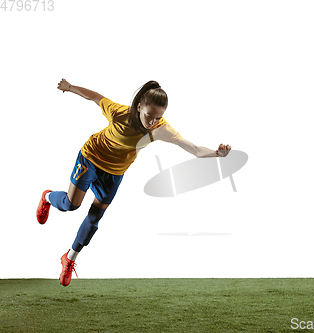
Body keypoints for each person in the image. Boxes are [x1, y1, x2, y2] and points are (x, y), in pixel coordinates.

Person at [36, 79, 231, 286]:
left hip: (114, 173)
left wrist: (217, 154)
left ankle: (69, 258)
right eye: (149, 115)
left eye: (158, 117)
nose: (152, 122)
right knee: (71, 205)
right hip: (91, 157)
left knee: (94, 219)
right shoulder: (119, 113)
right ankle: (47, 196)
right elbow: (94, 96)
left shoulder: (161, 129)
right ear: (139, 107)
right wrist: (70, 87)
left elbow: (193, 149)